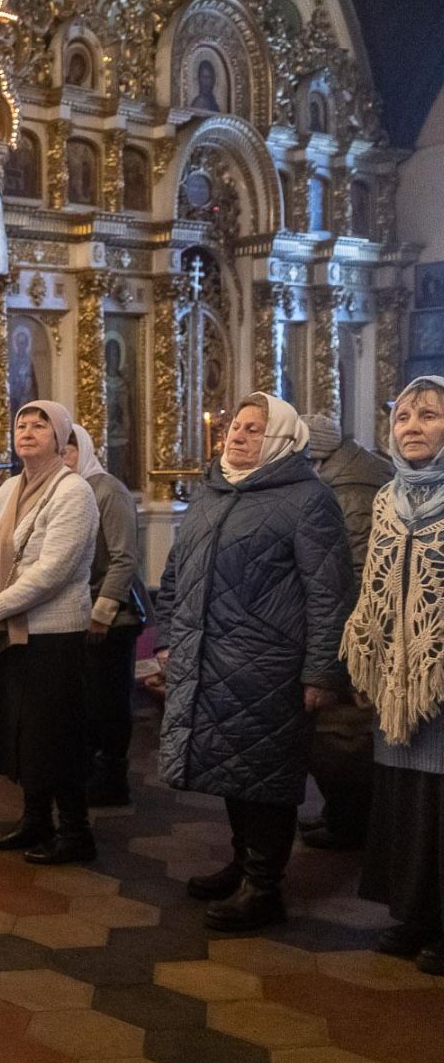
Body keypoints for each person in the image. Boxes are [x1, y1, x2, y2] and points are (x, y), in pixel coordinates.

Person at [156, 394, 351, 931]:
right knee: (232, 770)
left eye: (253, 429)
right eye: (235, 427)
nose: (237, 436)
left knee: (266, 777)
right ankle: (244, 864)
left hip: (270, 664)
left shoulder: (309, 499)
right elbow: (175, 572)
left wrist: (321, 671)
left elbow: (329, 594)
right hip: (210, 658)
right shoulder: (213, 491)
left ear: (283, 439)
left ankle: (264, 888)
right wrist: (167, 638)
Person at [0, 401, 101, 864]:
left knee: (56, 734)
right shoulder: (8, 488)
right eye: (21, 424)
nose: (27, 430)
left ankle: (76, 833)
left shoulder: (74, 492)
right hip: (9, 631)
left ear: (60, 439)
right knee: (25, 733)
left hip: (52, 634)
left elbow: (52, 573)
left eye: (40, 425)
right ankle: (35, 820)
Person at [344, 377, 444, 971]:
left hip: (439, 678)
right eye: (403, 416)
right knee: (408, 800)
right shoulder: (387, 499)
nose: (412, 427)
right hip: (398, 682)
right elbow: (374, 583)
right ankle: (414, 914)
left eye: (428, 415)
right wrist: (370, 653)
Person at [301, 413, 394, 849]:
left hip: (357, 632)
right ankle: (341, 814)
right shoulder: (348, 476)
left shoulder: (350, 491)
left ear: (315, 458)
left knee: (343, 734)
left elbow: (354, 574)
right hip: (356, 627)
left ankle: (351, 822)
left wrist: (347, 651)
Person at [66, 425, 145, 807]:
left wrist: (102, 614)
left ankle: (113, 777)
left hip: (113, 618)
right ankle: (89, 771)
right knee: (86, 700)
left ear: (82, 450)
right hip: (78, 610)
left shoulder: (107, 490)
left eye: (67, 451)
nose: (61, 459)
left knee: (109, 700)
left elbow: (124, 558)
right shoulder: (66, 490)